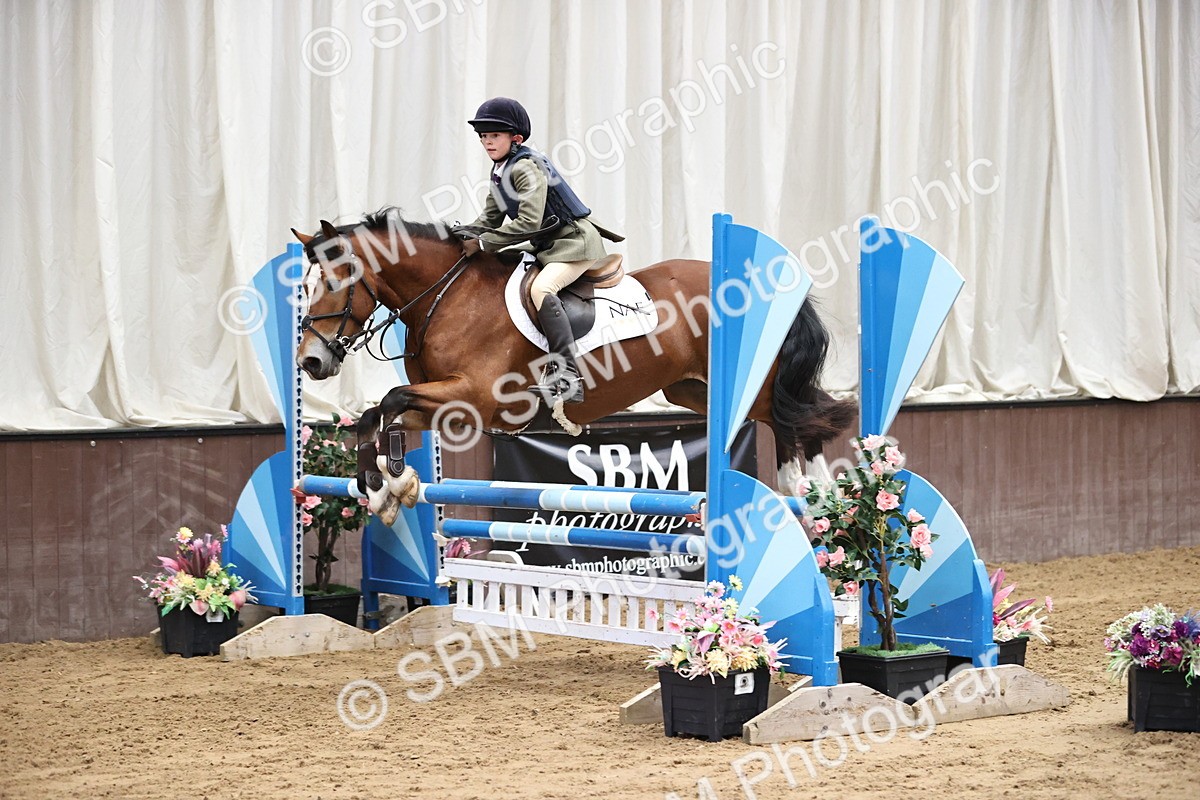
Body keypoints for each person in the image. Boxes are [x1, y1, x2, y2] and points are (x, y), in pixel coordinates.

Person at [461, 97, 623, 404]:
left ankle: (568, 376)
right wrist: (457, 235)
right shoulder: (500, 169)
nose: (486, 142)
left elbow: (528, 222)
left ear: (516, 138)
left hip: (574, 243)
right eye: (483, 136)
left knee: (541, 288)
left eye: (493, 135)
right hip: (549, 245)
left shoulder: (525, 168)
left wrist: (483, 244)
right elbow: (489, 219)